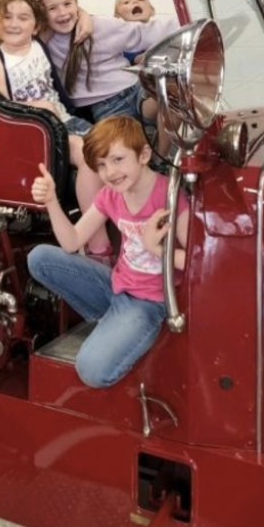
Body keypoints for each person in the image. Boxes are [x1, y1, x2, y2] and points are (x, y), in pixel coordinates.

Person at [29, 115, 189, 388]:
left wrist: (157, 249)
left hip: (149, 303)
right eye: (101, 164)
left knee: (91, 370)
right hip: (116, 287)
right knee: (39, 258)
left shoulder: (170, 197)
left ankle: (127, 329)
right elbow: (71, 242)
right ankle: (114, 324)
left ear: (143, 155)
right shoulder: (110, 195)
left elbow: (199, 262)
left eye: (118, 160)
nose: (110, 172)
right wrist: (52, 202)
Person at [0, 0, 102, 222]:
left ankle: (116, 218)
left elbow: (63, 13)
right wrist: (38, 107)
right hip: (36, 131)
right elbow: (3, 106)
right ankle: (92, 233)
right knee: (84, 152)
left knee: (111, 145)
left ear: (36, 26)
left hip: (66, 120)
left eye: (23, 17)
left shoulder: (38, 43)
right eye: (7, 16)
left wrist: (85, 15)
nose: (14, 23)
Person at [36, 0, 176, 125]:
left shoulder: (99, 25)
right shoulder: (43, 40)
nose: (62, 12)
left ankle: (162, 137)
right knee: (126, 138)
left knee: (173, 100)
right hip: (106, 107)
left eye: (67, 4)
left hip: (134, 88)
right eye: (52, 8)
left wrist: (187, 19)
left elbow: (142, 32)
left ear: (76, 4)